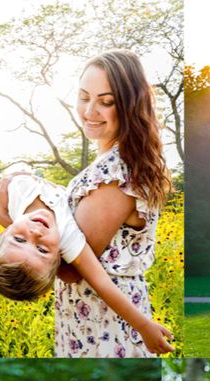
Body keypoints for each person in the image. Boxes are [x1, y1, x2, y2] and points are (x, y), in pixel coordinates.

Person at [55, 50, 171, 357]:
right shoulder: (109, 163)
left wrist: (23, 215)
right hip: (87, 314)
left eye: (106, 101)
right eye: (84, 97)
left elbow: (70, 268)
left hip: (104, 319)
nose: (90, 110)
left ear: (130, 106)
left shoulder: (117, 171)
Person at [0, 171, 173, 353]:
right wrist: (143, 326)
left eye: (19, 239)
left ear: (5, 233)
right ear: (59, 259)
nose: (35, 233)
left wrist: (5, 191)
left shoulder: (15, 195)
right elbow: (99, 281)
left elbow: (4, 204)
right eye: (42, 250)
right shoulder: (67, 237)